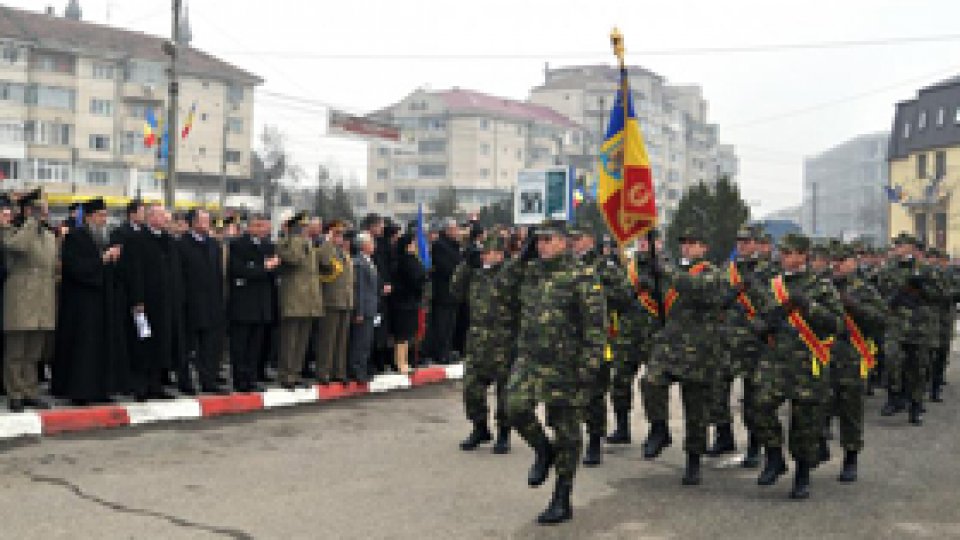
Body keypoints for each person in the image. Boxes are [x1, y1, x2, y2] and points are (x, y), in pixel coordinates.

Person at [505, 223, 606, 525]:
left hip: (567, 366)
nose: (542, 245)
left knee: (567, 433)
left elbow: (595, 328)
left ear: (564, 242)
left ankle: (562, 498)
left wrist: (588, 368)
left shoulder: (583, 276)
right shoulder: (532, 271)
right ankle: (542, 450)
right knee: (514, 406)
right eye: (538, 241)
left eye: (548, 240)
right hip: (530, 361)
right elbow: (502, 286)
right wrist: (520, 256)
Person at [753, 232, 843, 500]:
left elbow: (837, 324)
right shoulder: (773, 285)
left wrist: (810, 306)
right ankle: (773, 456)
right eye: (783, 251)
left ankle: (802, 476)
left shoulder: (822, 286)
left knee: (805, 422)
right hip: (775, 360)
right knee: (759, 406)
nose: (784, 256)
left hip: (807, 363)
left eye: (790, 252)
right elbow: (760, 316)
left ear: (804, 255)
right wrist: (758, 326)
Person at [644, 227, 728, 486]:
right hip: (671, 346)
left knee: (695, 411)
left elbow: (696, 289)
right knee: (650, 381)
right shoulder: (675, 273)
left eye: (693, 243)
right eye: (684, 243)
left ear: (704, 248)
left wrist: (666, 272)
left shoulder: (713, 274)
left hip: (699, 351)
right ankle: (659, 428)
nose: (687, 248)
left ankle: (693, 462)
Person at [828, 241, 885, 482]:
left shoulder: (865, 289)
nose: (838, 265)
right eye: (835, 261)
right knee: (819, 407)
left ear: (853, 262)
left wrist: (855, 307)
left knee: (850, 411)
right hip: (821, 356)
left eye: (843, 261)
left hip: (851, 357)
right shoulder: (822, 286)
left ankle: (851, 458)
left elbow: (880, 320)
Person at [53, 197, 118, 405]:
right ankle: (80, 392)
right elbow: (75, 268)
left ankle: (100, 389)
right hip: (81, 305)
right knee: (83, 349)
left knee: (100, 347)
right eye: (100, 216)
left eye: (105, 216)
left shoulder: (104, 238)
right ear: (89, 217)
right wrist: (102, 259)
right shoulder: (76, 237)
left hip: (101, 302)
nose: (103, 220)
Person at [452, 233, 511, 453]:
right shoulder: (475, 275)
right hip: (477, 339)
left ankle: (504, 433)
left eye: (490, 253)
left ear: (500, 254)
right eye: (483, 253)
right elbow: (455, 291)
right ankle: (480, 428)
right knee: (472, 389)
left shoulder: (509, 274)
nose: (485, 257)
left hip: (503, 340)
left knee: (504, 391)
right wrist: (465, 266)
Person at [2, 190, 57, 411]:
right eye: (36, 209)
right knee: (16, 350)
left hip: (43, 297)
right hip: (20, 296)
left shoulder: (48, 234)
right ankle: (15, 392)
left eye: (43, 210)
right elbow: (17, 246)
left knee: (34, 351)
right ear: (25, 210)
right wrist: (31, 222)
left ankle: (30, 391)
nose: (41, 213)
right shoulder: (12, 231)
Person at [124, 204, 180, 401]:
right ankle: (140, 386)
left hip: (165, 302)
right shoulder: (137, 240)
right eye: (162, 216)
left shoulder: (168, 240)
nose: (166, 219)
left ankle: (156, 385)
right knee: (143, 344)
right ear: (151, 218)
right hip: (145, 302)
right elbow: (135, 272)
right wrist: (138, 299)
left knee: (161, 344)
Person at [227, 214, 279, 392]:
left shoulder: (268, 246)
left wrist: (263, 269)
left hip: (262, 303)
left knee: (255, 346)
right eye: (257, 226)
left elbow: (274, 271)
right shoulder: (238, 245)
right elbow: (239, 270)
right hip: (243, 304)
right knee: (240, 345)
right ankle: (239, 380)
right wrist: (263, 268)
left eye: (263, 226)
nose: (261, 229)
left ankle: (251, 378)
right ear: (249, 227)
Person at [178, 209, 227, 394]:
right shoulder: (182, 244)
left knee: (209, 346)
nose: (207, 224)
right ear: (193, 222)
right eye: (203, 220)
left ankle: (208, 381)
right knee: (188, 346)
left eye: (208, 220)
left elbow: (218, 276)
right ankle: (186, 382)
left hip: (211, 303)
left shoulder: (213, 245)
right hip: (191, 303)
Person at [276, 212, 323, 390]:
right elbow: (294, 259)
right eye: (302, 227)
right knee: (290, 340)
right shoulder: (286, 243)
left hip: (308, 299)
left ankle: (295, 373)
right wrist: (295, 237)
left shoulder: (308, 243)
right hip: (293, 299)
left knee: (302, 340)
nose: (305, 230)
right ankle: (286, 374)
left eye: (305, 227)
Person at [317, 220, 354, 383]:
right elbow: (324, 262)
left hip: (345, 300)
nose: (340, 237)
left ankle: (338, 371)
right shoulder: (326, 249)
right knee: (328, 339)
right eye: (336, 233)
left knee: (341, 340)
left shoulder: (343, 252)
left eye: (341, 234)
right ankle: (324, 372)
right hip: (331, 300)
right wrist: (327, 241)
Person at [391, 233, 427, 375]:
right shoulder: (404, 261)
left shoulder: (411, 260)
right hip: (403, 301)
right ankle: (400, 362)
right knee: (402, 334)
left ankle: (405, 361)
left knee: (408, 334)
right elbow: (414, 278)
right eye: (412, 244)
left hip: (410, 301)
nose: (415, 246)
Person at [429, 218, 463, 365]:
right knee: (442, 325)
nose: (457, 232)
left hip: (453, 292)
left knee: (450, 324)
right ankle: (440, 353)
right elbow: (445, 267)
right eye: (455, 229)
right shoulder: (439, 245)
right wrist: (458, 269)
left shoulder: (455, 245)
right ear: (447, 230)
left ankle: (447, 350)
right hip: (443, 292)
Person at [349, 232, 379, 382]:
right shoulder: (359, 263)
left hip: (371, 307)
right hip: (364, 308)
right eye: (371, 242)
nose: (374, 245)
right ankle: (357, 370)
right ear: (364, 245)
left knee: (367, 342)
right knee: (360, 342)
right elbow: (359, 288)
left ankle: (363, 367)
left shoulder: (369, 261)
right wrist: (359, 311)